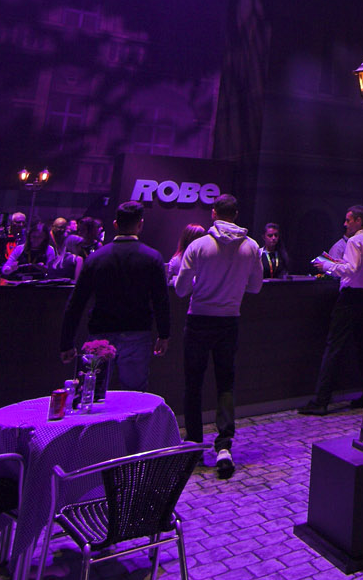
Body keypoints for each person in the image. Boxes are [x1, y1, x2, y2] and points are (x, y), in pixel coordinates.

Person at [170, 194, 262, 479]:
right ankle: (224, 447)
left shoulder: (198, 246)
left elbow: (181, 290)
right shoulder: (251, 246)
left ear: (214, 213)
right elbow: (256, 287)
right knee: (225, 384)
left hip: (199, 320)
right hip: (229, 321)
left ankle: (194, 445)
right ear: (236, 214)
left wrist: (201, 282)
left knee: (193, 384)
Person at [58, 202, 169, 390]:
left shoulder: (96, 258)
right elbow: (161, 300)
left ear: (116, 224)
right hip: (137, 331)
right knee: (133, 394)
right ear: (140, 224)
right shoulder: (152, 257)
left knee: (94, 392)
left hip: (100, 332)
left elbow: (76, 302)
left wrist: (66, 342)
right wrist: (164, 334)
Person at [298, 206, 363, 415]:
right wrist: (340, 264)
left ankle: (321, 401)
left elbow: (351, 269)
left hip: (349, 299)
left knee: (333, 347)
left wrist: (328, 266)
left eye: (348, 220)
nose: (345, 224)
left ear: (358, 221)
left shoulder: (354, 241)